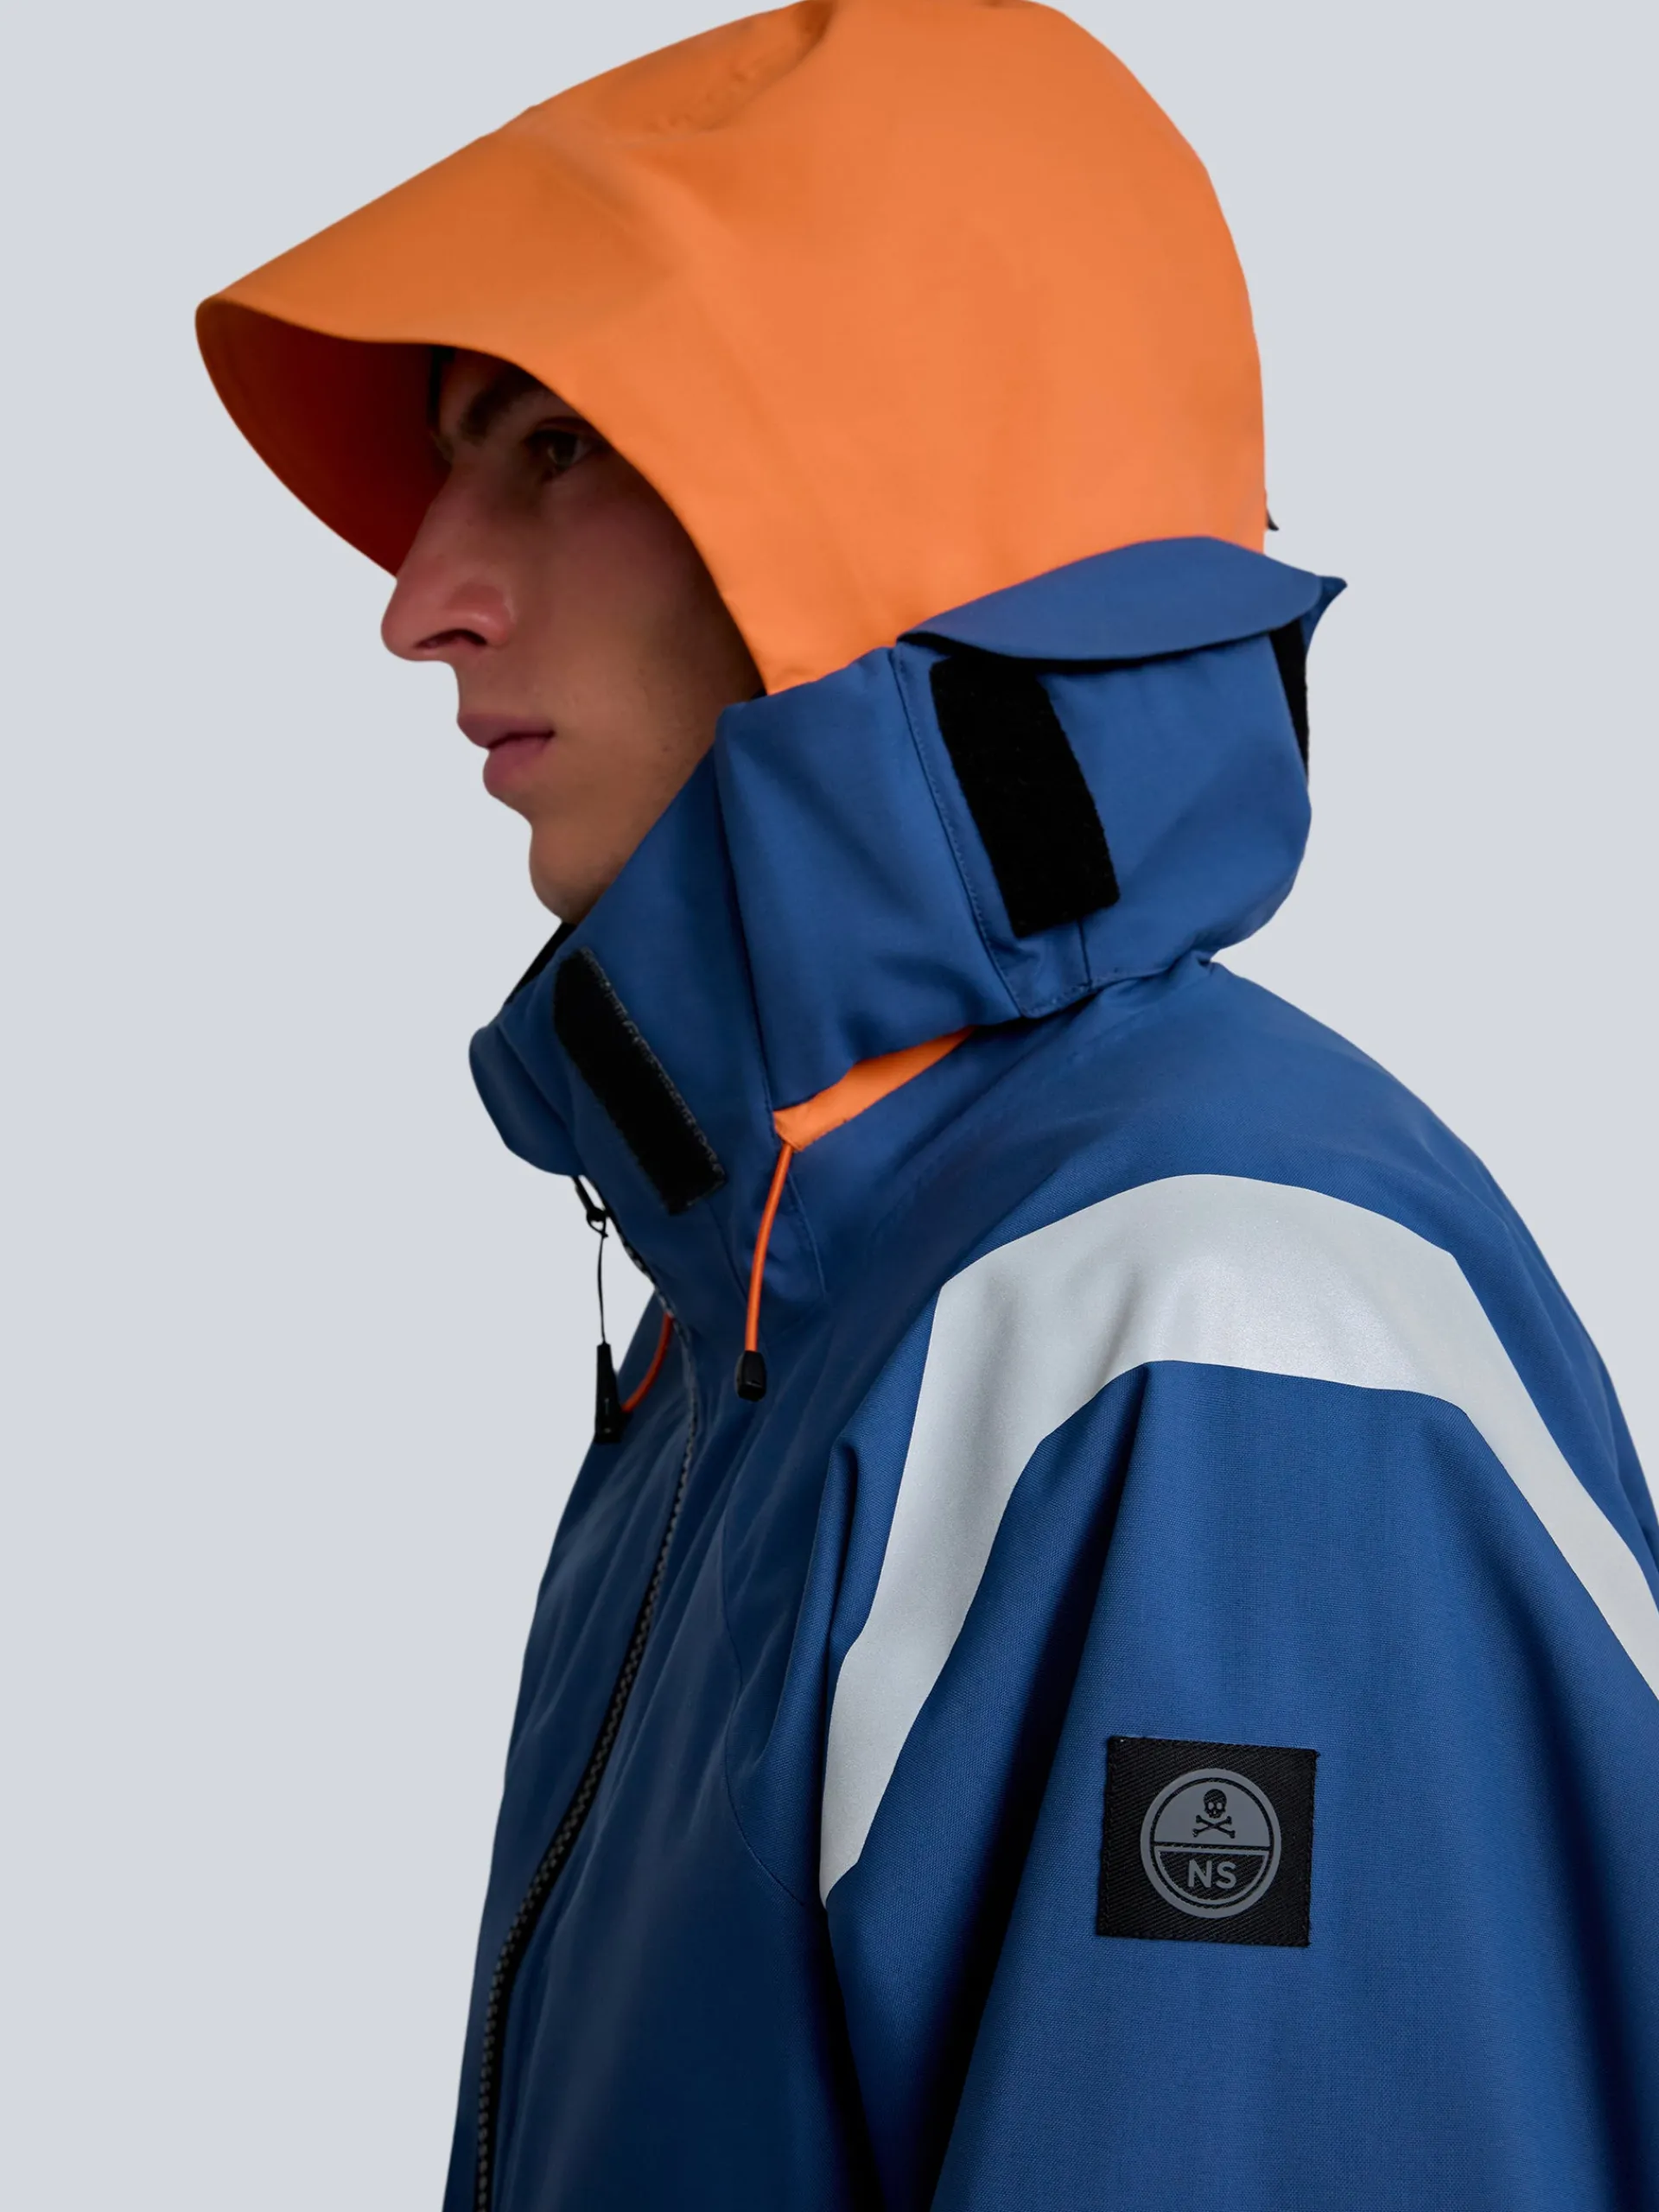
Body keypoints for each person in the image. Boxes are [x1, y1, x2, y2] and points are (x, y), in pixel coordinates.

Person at [197, 3, 1659, 2207]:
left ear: (889, 505)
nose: (423, 601)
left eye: (553, 446)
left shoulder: (1195, 1323)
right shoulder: (792, 1288)